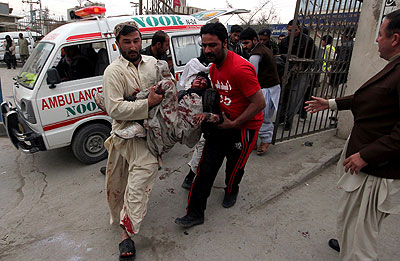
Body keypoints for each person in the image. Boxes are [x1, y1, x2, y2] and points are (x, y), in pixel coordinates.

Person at [304, 9, 400, 261]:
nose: (376, 40)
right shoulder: (394, 66)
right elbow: (371, 98)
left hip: (379, 169)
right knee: (352, 221)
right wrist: (333, 103)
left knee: (361, 238)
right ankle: (348, 241)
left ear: (395, 39)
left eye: (380, 34)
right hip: (371, 164)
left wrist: (366, 155)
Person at [175, 22, 266, 228]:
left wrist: (235, 123)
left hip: (244, 127)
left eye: (213, 45)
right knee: (205, 169)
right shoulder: (213, 68)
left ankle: (231, 190)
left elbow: (259, 103)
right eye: (204, 45)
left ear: (225, 43)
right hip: (221, 124)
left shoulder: (241, 68)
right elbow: (223, 95)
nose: (207, 50)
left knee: (234, 169)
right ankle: (195, 213)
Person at [102, 21, 164, 260]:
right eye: (126, 42)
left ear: (141, 40)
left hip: (149, 136)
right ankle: (120, 215)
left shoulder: (153, 65)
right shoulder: (113, 72)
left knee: (138, 183)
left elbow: (167, 91)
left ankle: (126, 233)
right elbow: (115, 109)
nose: (132, 46)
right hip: (123, 135)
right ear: (117, 43)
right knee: (117, 182)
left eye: (136, 40)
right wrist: (147, 103)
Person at [240, 27, 281, 155]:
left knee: (262, 117)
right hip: (269, 88)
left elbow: (253, 77)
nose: (244, 46)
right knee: (260, 116)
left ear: (254, 40)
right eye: (243, 43)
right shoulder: (263, 49)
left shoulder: (256, 55)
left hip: (265, 90)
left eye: (246, 43)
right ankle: (254, 141)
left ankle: (265, 141)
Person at [279, 20, 315, 130]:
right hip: (287, 72)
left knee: (295, 98)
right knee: (283, 96)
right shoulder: (284, 41)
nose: (290, 33)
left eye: (293, 30)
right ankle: (281, 117)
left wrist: (302, 65)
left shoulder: (307, 41)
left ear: (298, 29)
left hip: (301, 73)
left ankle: (289, 120)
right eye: (289, 30)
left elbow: (311, 58)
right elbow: (281, 57)